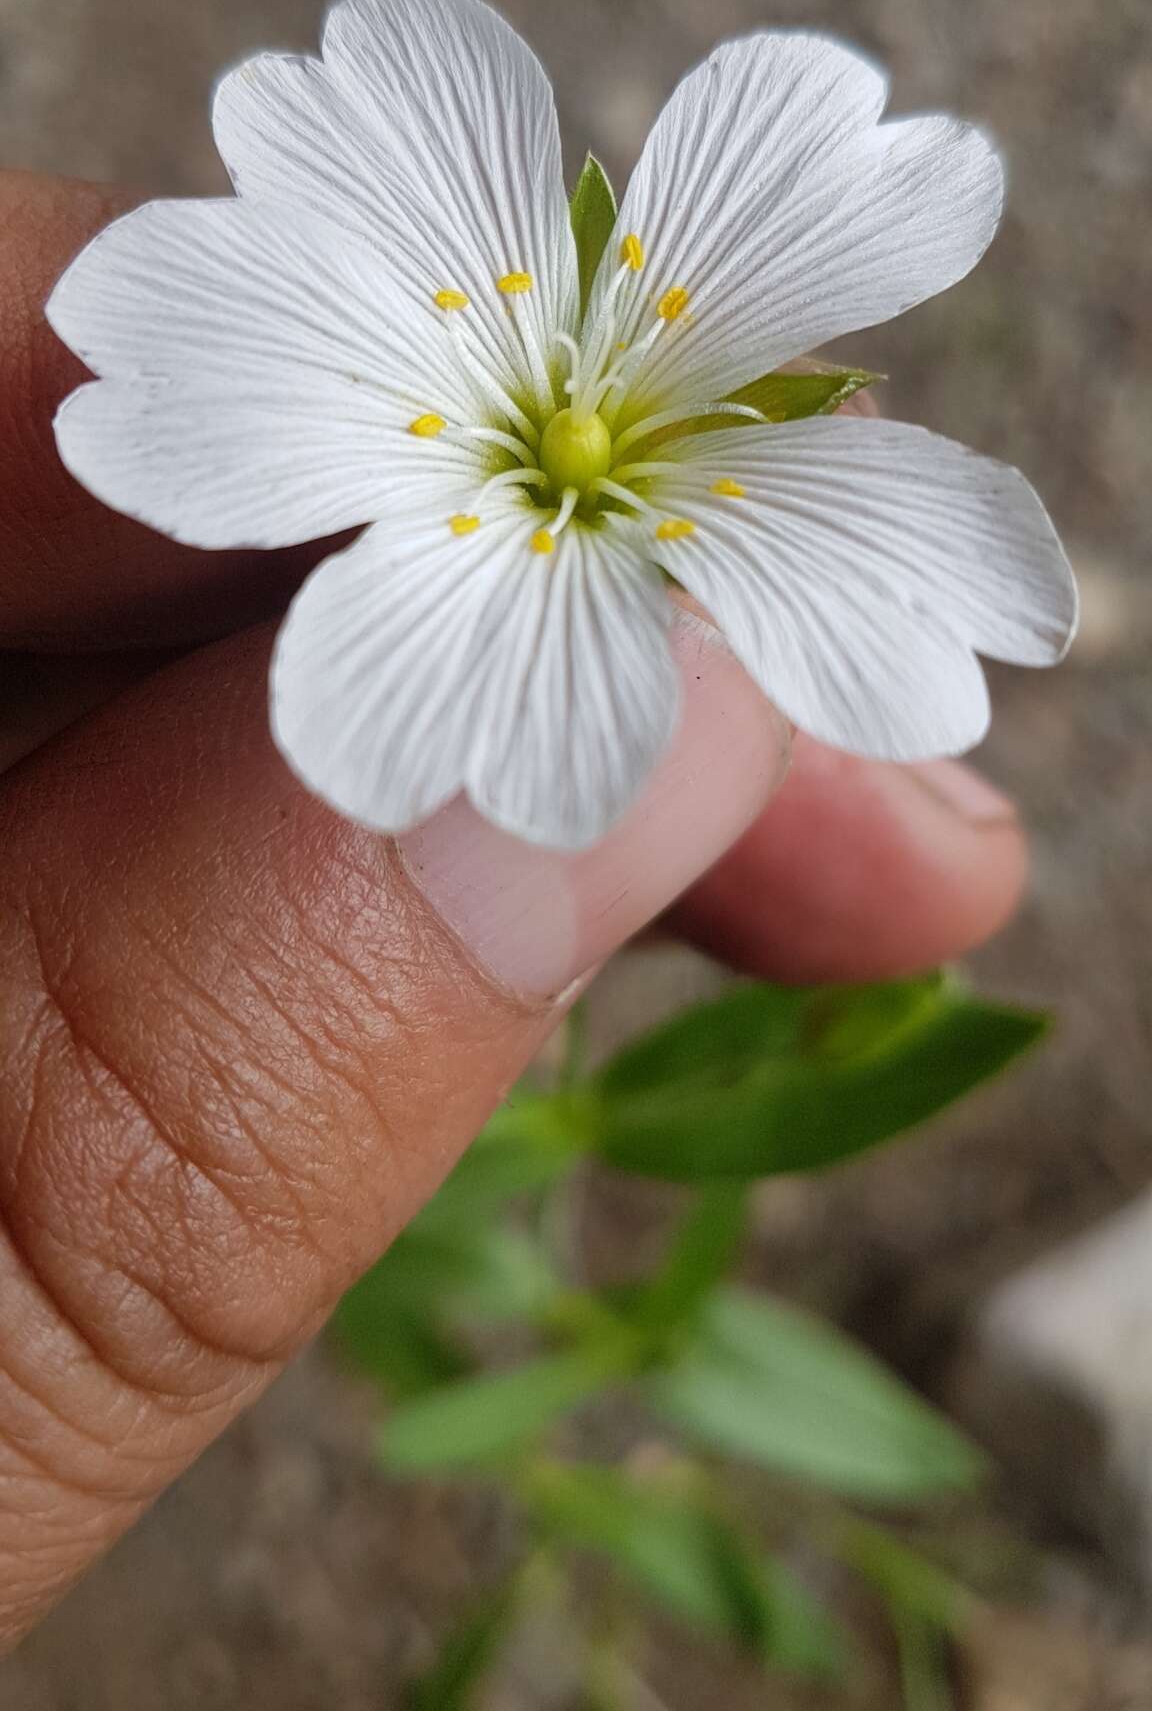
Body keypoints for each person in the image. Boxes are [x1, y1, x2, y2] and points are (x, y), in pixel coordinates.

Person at [0, 172, 1028, 1647]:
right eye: (573, 421)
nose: (582, 433)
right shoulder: (559, 444)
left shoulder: (609, 431)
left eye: (596, 427)